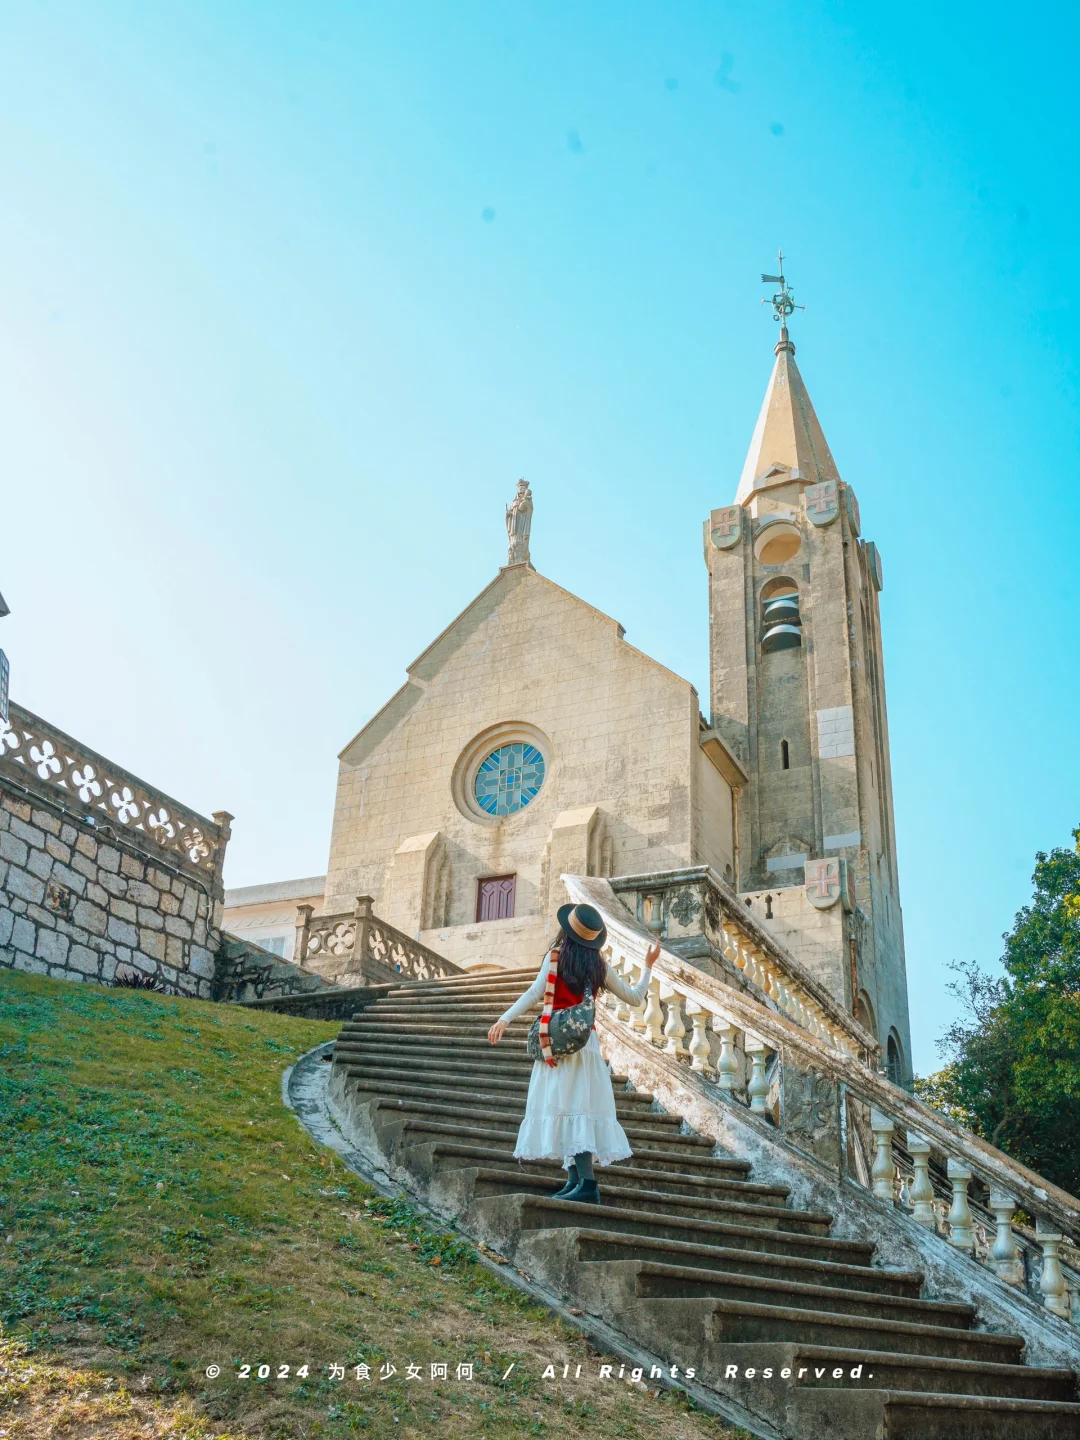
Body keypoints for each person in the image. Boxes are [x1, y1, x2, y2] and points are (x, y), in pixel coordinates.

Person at [486, 902, 659, 1204]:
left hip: (557, 1042)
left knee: (566, 1107)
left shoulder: (555, 958)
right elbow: (635, 997)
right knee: (576, 1108)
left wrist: (505, 1018)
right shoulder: (598, 966)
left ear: (566, 931)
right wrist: (647, 966)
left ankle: (587, 1184)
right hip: (584, 1045)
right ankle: (575, 1180)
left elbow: (533, 993)